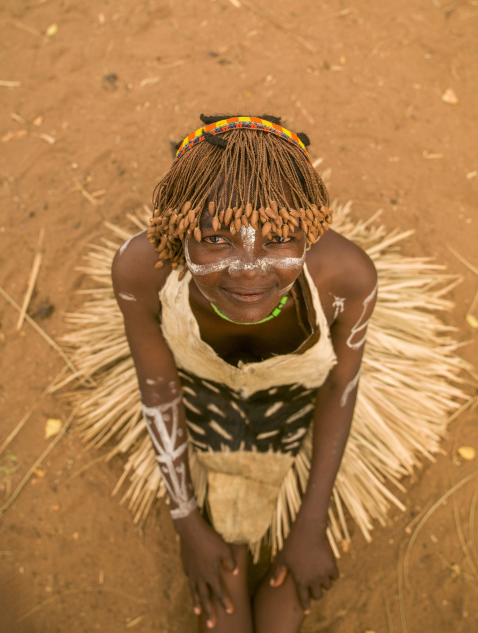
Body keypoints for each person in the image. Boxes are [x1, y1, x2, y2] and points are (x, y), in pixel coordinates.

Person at [111, 114, 377, 633]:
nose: (248, 269)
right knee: (222, 566)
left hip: (294, 405)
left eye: (278, 238)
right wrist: (187, 522)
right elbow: (161, 388)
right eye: (214, 239)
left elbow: (339, 386)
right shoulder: (141, 270)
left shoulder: (346, 277)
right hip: (202, 397)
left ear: (310, 234)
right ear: (176, 231)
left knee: (284, 593)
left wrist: (310, 524)